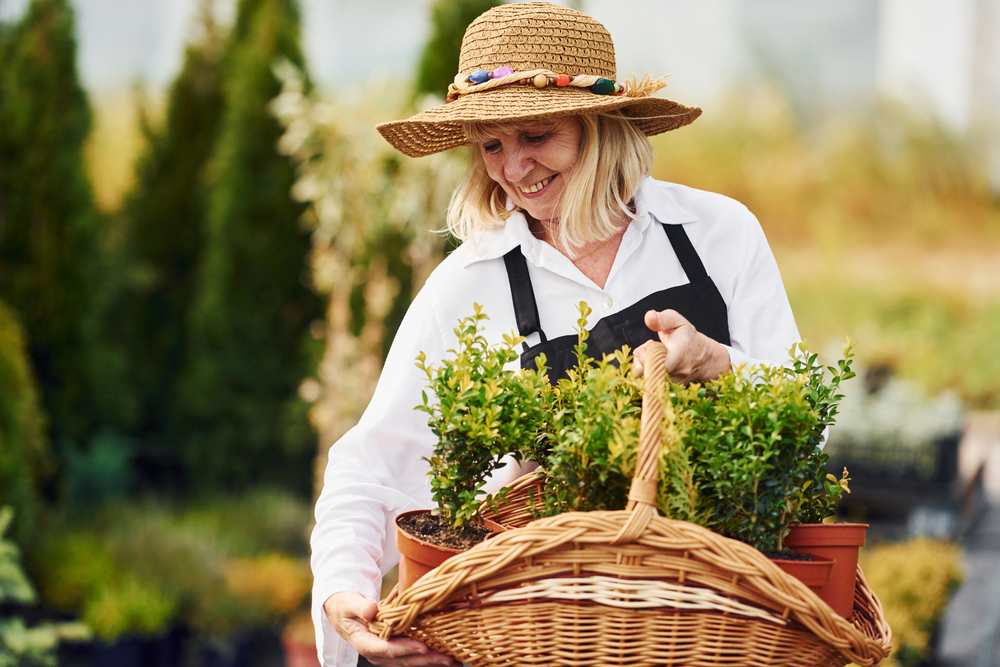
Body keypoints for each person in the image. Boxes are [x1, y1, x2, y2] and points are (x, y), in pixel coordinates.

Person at [311, 3, 800, 665]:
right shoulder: (470, 284)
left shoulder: (720, 234)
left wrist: (719, 365)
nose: (513, 169)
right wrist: (345, 589)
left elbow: (808, 421)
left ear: (597, 128)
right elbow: (371, 466)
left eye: (535, 135)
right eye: (491, 145)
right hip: (541, 632)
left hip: (709, 622)